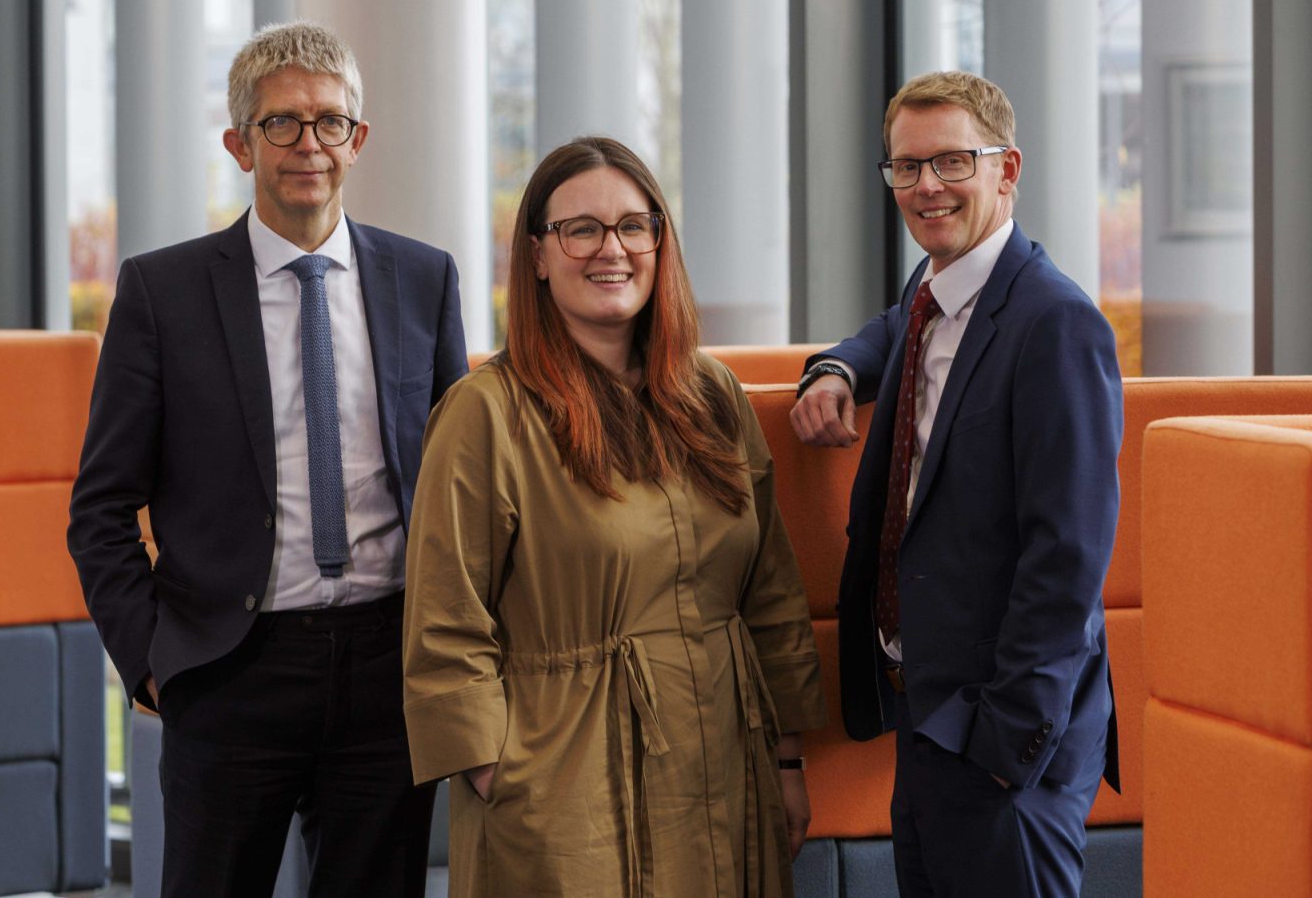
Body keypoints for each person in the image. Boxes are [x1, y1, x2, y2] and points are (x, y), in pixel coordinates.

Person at [67, 22, 466, 898]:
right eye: (280, 123)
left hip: (385, 668)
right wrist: (152, 662)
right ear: (239, 143)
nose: (307, 145)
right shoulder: (161, 292)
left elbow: (459, 489)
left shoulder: (425, 281)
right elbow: (99, 510)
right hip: (227, 668)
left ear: (357, 140)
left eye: (328, 123)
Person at [402, 136, 825, 897]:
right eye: (582, 229)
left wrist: (787, 759)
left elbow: (770, 592)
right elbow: (444, 622)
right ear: (537, 253)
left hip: (726, 765)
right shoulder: (486, 414)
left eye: (634, 226)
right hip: (564, 786)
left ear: (660, 243)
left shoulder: (712, 395)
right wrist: (502, 776)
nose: (613, 249)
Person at [790, 71, 1123, 897]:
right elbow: (889, 331)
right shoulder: (931, 293)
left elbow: (1069, 556)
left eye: (950, 163)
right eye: (906, 167)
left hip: (1002, 742)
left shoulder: (1056, 323)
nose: (925, 187)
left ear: (1006, 170)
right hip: (928, 719)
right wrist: (835, 368)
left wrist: (1008, 748)